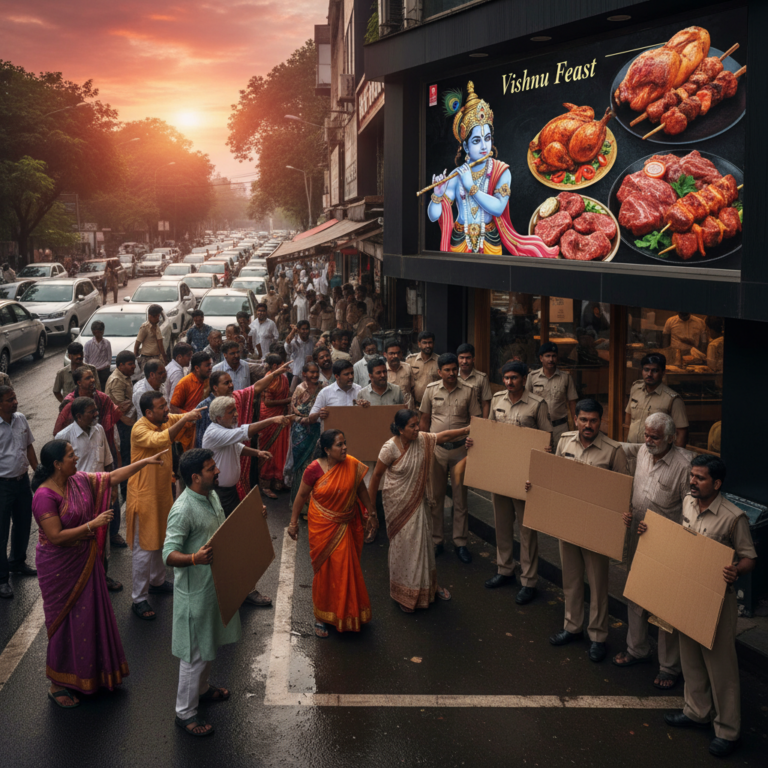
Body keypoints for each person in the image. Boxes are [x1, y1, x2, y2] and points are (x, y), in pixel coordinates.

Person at [31, 440, 166, 708]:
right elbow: (56, 536)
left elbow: (112, 476)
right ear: (57, 464)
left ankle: (92, 675)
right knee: (64, 622)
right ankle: (58, 683)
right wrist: (92, 524)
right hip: (60, 568)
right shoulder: (44, 496)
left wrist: (145, 462)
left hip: (85, 559)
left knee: (89, 617)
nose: (76, 457)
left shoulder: (77, 480)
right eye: (71, 455)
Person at [659, 455, 757, 758]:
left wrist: (736, 571)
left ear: (717, 483)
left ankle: (728, 731)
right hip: (688, 590)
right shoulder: (688, 503)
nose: (692, 482)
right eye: (692, 476)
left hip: (717, 599)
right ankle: (696, 711)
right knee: (689, 657)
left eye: (700, 478)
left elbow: (749, 557)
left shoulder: (733, 517)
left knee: (720, 666)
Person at [162, 449, 243, 737]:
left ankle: (203, 690)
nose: (218, 471)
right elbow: (168, 554)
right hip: (195, 594)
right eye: (211, 468)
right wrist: (194, 559)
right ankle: (185, 714)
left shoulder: (210, 495)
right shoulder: (183, 509)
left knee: (209, 645)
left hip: (213, 589)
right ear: (196, 477)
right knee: (194, 655)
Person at [541, 398, 628, 663]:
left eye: (593, 420)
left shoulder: (614, 451)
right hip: (568, 521)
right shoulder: (564, 441)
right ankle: (572, 627)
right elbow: (556, 477)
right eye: (583, 420)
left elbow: (622, 493)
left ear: (601, 422)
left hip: (597, 528)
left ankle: (598, 637)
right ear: (575, 419)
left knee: (598, 583)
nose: (588, 425)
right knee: (571, 579)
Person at [613, 412, 691, 689]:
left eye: (655, 437)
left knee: (664, 606)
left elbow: (691, 513)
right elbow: (615, 447)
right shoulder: (643, 451)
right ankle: (637, 649)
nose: (648, 441)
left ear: (671, 438)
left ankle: (669, 667)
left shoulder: (685, 466)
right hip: (638, 537)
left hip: (667, 545)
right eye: (646, 435)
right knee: (635, 593)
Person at [369, 410, 471, 612]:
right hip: (397, 503)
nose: (418, 429)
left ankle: (430, 587)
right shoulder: (389, 448)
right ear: (400, 429)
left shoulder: (422, 440)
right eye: (412, 426)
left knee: (423, 543)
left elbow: (445, 436)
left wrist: (468, 429)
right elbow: (375, 477)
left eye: (418, 424)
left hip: (418, 501)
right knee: (405, 546)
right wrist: (371, 511)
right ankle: (404, 592)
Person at [473, 361, 552, 603]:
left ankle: (529, 581)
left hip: (526, 477)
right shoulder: (497, 399)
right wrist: (476, 443)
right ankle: (504, 569)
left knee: (527, 531)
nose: (509, 382)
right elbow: (491, 432)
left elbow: (547, 440)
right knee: (502, 524)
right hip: (502, 473)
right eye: (506, 378)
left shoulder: (537, 404)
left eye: (514, 378)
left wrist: (541, 469)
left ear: (524, 378)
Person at [288, 430, 376, 638]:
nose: (344, 447)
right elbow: (301, 495)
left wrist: (371, 512)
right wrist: (293, 523)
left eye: (345, 443)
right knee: (326, 571)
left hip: (347, 524)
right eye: (339, 445)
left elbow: (361, 490)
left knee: (346, 570)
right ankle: (322, 616)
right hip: (322, 527)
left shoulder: (352, 464)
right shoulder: (313, 469)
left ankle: (348, 613)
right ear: (327, 450)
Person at [127, 390, 206, 620]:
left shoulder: (163, 420)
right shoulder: (140, 429)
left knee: (163, 539)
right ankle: (139, 599)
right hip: (144, 497)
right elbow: (164, 438)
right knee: (144, 548)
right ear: (149, 412)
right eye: (162, 407)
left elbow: (177, 419)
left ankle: (158, 581)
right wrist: (184, 418)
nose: (166, 410)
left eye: (165, 405)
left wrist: (190, 414)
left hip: (162, 494)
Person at [419, 353, 481, 563]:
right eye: (447, 370)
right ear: (439, 372)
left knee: (460, 499)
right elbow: (424, 421)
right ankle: (437, 541)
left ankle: (460, 542)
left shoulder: (469, 391)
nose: (452, 373)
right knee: (434, 498)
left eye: (454, 369)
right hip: (436, 450)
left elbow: (476, 420)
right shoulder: (430, 391)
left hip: (460, 452)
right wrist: (424, 448)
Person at [0, 385, 37, 599]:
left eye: (15, 398)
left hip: (22, 481)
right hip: (3, 485)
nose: (15, 402)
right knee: (1, 532)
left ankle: (17, 562)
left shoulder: (20, 418)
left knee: (23, 523)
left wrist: (37, 473)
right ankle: (2, 578)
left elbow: (29, 446)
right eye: (9, 399)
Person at [53, 367, 130, 457]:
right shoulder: (69, 403)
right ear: (79, 383)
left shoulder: (102, 398)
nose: (92, 380)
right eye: (88, 378)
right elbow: (61, 429)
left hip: (101, 445)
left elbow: (112, 425)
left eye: (92, 377)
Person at [624, 353, 688, 447]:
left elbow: (681, 433)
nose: (649, 374)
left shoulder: (673, 399)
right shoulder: (635, 388)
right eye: (646, 370)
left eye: (654, 371)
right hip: (631, 449)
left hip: (655, 453)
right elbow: (628, 419)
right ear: (642, 371)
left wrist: (673, 459)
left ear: (663, 372)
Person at [525, 342, 578, 448]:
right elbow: (527, 401)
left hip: (560, 427)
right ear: (541, 358)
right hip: (539, 427)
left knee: (561, 458)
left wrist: (577, 426)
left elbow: (572, 402)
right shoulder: (532, 377)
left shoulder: (566, 378)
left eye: (554, 356)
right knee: (540, 457)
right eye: (547, 356)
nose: (551, 359)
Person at [289, 362, 325, 509]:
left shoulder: (324, 387)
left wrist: (315, 419)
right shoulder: (299, 389)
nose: (315, 375)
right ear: (304, 374)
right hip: (301, 433)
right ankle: (300, 506)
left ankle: (315, 505)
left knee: (317, 466)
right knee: (302, 467)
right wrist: (306, 420)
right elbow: (293, 413)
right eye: (311, 372)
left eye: (317, 372)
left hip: (319, 430)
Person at [258, 354, 292, 499]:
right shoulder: (268, 379)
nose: (286, 367)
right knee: (269, 449)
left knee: (281, 449)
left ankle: (278, 481)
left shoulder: (283, 378)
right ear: (274, 366)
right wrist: (288, 401)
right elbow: (267, 403)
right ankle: (265, 484)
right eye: (283, 365)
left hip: (281, 415)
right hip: (269, 418)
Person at [171, 351, 213, 453]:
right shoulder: (184, 383)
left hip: (206, 428)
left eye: (210, 364)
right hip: (188, 432)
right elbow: (173, 407)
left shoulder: (210, 380)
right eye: (207, 365)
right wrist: (190, 416)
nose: (210, 368)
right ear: (197, 368)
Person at [309, 359, 364, 429]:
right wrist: (319, 414)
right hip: (334, 436)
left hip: (355, 432)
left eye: (352, 373)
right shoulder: (325, 392)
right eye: (346, 374)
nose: (351, 377)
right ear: (337, 376)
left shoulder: (359, 390)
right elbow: (311, 417)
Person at [457, 342, 493, 419]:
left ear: (473, 359)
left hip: (475, 420)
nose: (464, 361)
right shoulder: (452, 377)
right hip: (457, 420)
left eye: (468, 358)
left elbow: (485, 404)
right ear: (457, 359)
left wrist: (484, 424)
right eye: (462, 358)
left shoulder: (482, 378)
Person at [407, 331, 440, 408]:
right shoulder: (410, 360)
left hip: (434, 407)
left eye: (430, 342)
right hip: (415, 406)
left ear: (434, 343)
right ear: (419, 344)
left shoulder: (440, 361)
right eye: (424, 343)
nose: (427, 345)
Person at [285, 320, 315, 391]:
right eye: (303, 329)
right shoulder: (294, 341)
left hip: (309, 374)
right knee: (292, 394)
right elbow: (288, 348)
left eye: (307, 329)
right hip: (296, 373)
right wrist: (293, 331)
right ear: (298, 330)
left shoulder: (312, 341)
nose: (305, 331)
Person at [384, 338, 414, 408]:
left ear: (401, 354)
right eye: (392, 353)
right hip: (389, 408)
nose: (395, 356)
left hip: (406, 408)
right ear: (385, 355)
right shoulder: (382, 371)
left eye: (398, 353)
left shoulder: (408, 367)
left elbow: (413, 390)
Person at [83, 321, 112, 391]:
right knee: (93, 388)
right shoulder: (88, 344)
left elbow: (109, 358)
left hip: (104, 371)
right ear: (93, 332)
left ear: (103, 331)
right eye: (96, 331)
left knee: (103, 388)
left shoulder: (107, 343)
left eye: (100, 331)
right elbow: (86, 358)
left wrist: (105, 366)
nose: (98, 333)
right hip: (92, 370)